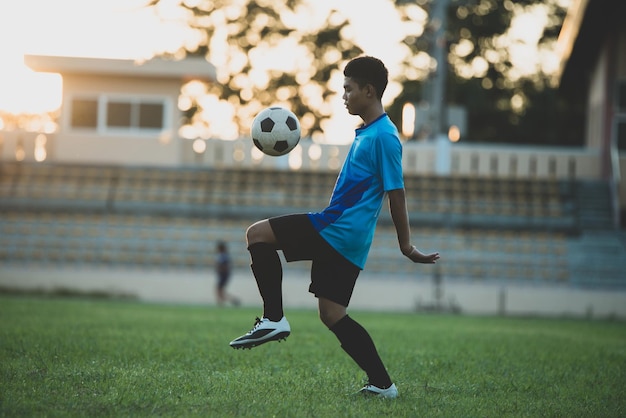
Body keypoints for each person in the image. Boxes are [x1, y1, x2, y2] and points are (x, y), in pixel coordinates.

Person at [229, 56, 440, 399]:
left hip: (336, 228)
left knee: (256, 234)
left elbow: (396, 194)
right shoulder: (370, 132)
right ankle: (383, 385)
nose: (344, 95)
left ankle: (273, 319)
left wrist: (406, 246)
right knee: (332, 313)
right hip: (349, 239)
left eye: (348, 89)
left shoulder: (384, 137)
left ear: (368, 91)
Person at [215, 241, 240, 306]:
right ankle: (232, 301)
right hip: (223, 275)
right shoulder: (223, 255)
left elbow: (225, 266)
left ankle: (223, 303)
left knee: (219, 290)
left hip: (224, 275)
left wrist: (220, 268)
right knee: (220, 291)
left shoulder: (224, 256)